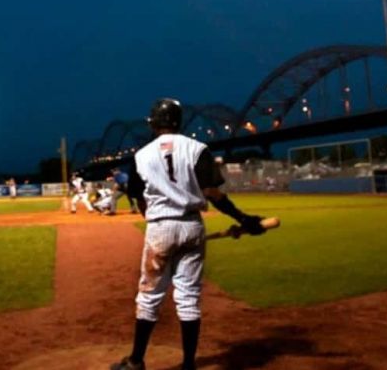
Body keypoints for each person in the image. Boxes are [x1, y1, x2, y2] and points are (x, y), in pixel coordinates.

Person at [112, 99, 272, 370]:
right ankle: (188, 365)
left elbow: (138, 197)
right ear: (179, 121)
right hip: (192, 225)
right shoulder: (198, 149)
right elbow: (213, 193)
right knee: (188, 297)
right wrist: (243, 218)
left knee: (150, 296)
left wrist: (151, 218)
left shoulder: (141, 155)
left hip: (160, 227)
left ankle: (136, 361)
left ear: (153, 123)